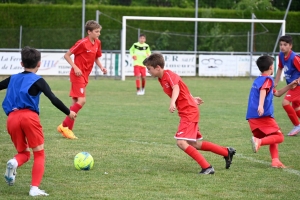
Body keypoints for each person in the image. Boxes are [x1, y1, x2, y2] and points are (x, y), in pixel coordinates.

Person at [1, 47, 77, 196]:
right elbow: (53, 99)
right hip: (29, 117)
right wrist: (69, 112)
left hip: (11, 118)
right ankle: (34, 188)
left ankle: (14, 162)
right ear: (39, 64)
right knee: (39, 154)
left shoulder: (12, 78)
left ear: (22, 63)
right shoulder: (38, 80)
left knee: (23, 152)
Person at [143, 53, 236, 174]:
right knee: (194, 143)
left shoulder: (168, 75)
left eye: (149, 69)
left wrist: (172, 103)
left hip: (189, 111)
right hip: (187, 110)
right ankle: (226, 152)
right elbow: (183, 88)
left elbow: (176, 88)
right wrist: (192, 98)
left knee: (181, 142)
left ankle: (207, 167)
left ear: (158, 67)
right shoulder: (162, 78)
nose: (148, 71)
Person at [57, 20, 107, 139]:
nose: (99, 33)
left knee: (75, 103)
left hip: (85, 76)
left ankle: (66, 128)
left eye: (99, 31)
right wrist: (75, 67)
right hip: (77, 75)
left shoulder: (97, 43)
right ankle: (64, 126)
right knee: (82, 100)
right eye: (96, 31)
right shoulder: (82, 43)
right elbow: (67, 55)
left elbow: (96, 58)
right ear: (89, 32)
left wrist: (101, 67)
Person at [246, 55, 299, 168]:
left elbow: (277, 93)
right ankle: (258, 142)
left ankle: (275, 161)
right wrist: (261, 106)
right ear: (271, 67)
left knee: (274, 135)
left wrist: (289, 86)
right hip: (262, 116)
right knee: (280, 137)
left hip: (253, 117)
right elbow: (263, 91)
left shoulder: (259, 79)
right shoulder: (268, 80)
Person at [274, 35, 300, 136]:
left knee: (285, 103)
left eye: (285, 44)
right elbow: (280, 68)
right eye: (281, 44)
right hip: (291, 84)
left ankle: (297, 125)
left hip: (297, 85)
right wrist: (276, 82)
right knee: (296, 107)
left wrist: (297, 81)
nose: (282, 46)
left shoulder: (294, 58)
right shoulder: (281, 55)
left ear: (290, 46)